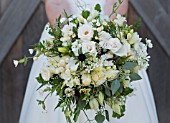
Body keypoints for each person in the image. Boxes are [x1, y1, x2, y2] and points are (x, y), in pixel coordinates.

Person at [19, 0, 159, 123]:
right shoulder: (64, 32)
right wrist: (67, 39)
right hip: (63, 29)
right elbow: (56, 2)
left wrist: (105, 40)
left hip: (108, 29)